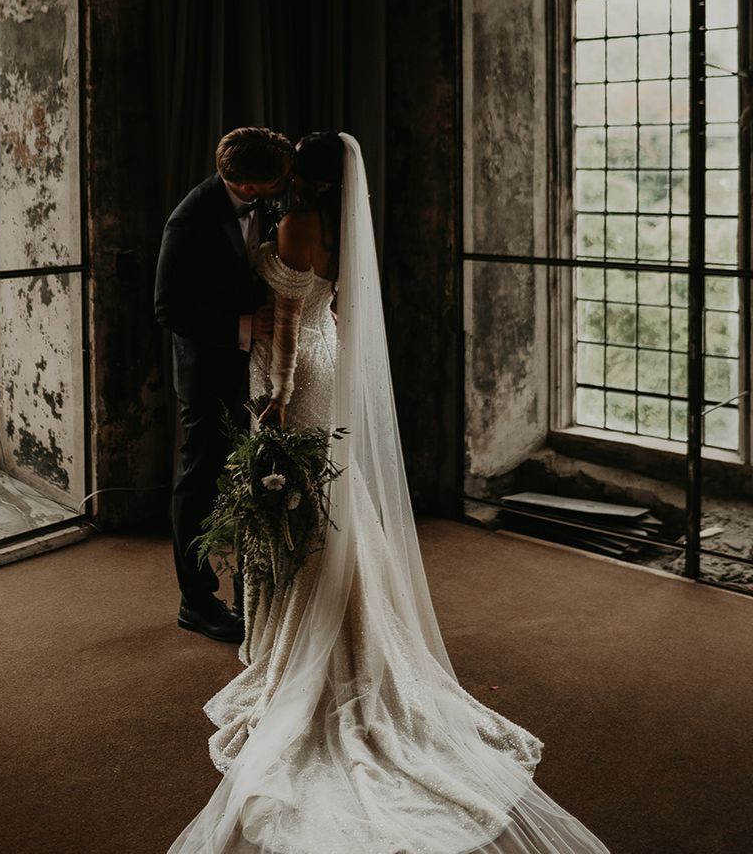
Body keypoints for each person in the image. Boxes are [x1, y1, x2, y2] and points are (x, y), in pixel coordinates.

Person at [168, 133, 612, 853]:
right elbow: (324, 308)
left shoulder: (293, 224)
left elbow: (281, 321)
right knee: (330, 500)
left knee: (298, 496)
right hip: (328, 350)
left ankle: (298, 636)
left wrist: (275, 400)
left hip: (292, 369)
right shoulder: (346, 225)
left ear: (299, 179)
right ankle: (348, 615)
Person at [155, 127, 292, 643]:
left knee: (258, 474)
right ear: (250, 185)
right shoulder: (189, 221)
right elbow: (168, 308)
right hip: (209, 368)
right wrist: (241, 326)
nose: (287, 184)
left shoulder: (270, 205)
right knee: (200, 477)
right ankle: (196, 600)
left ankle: (257, 588)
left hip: (257, 364)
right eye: (278, 179)